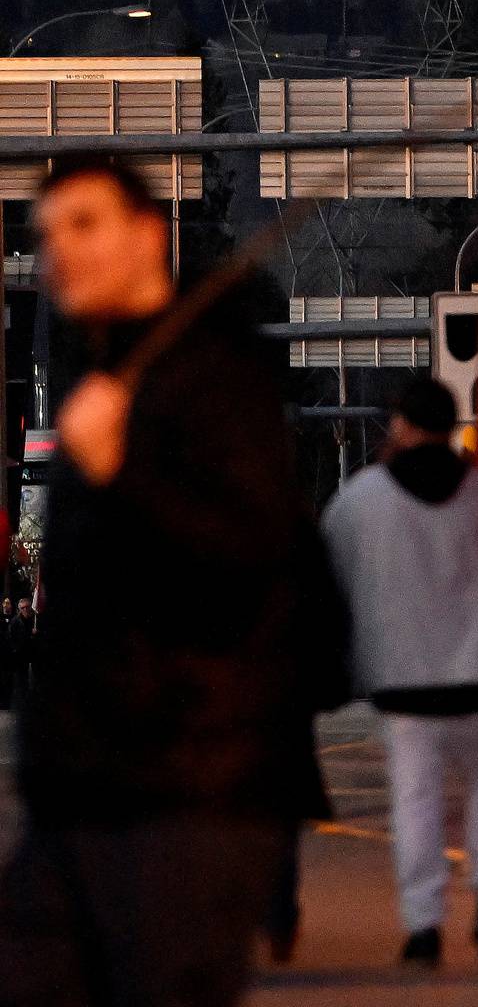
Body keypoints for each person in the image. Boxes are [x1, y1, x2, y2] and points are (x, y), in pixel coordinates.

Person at [0, 158, 332, 1007]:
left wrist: (120, 470)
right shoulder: (101, 374)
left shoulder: (218, 374)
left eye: (84, 224)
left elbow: (249, 561)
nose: (57, 252)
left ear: (149, 233)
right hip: (83, 795)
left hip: (190, 795)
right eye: (46, 234)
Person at [325, 377, 478, 968]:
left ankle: (424, 924)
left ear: (402, 425)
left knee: (416, 800)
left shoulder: (365, 497)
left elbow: (328, 568)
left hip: (403, 679)